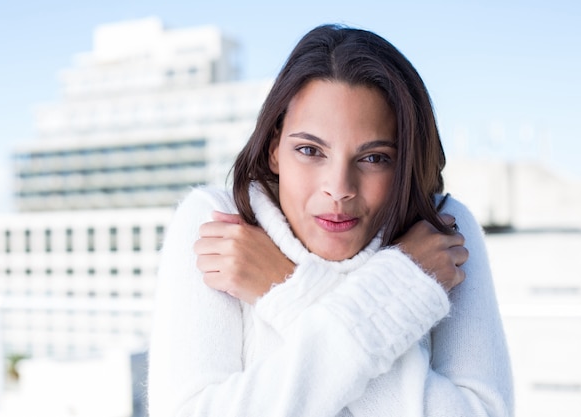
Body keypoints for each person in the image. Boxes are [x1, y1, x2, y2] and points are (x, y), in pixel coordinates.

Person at [148, 24, 513, 417]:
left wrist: (285, 289)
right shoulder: (220, 227)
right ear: (274, 149)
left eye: (374, 158)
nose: (339, 188)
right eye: (310, 150)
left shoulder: (441, 233)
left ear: (405, 160)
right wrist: (400, 291)